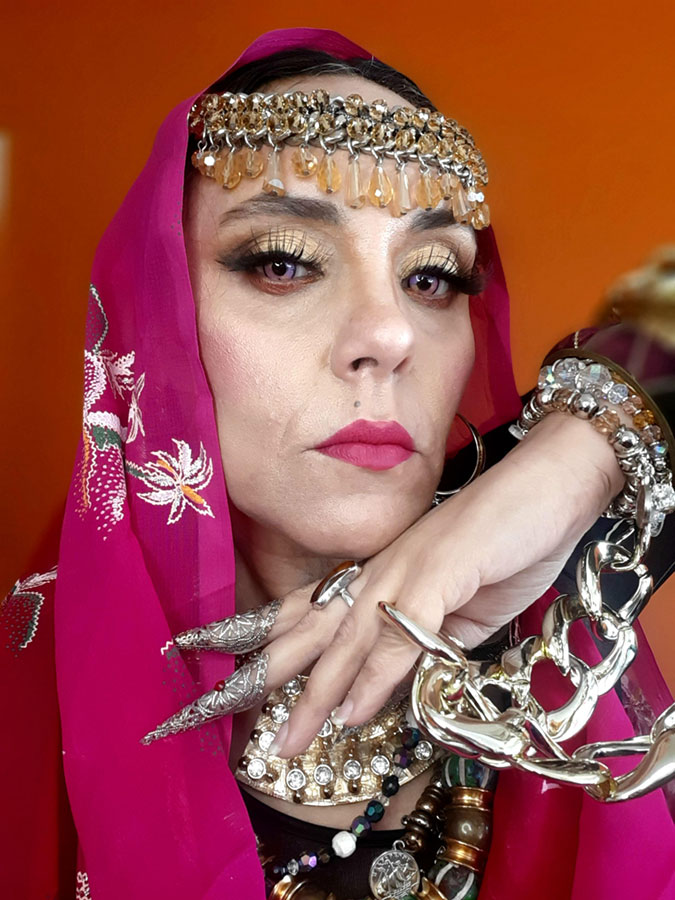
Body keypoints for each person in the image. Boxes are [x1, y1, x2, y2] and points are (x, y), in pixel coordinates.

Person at [1, 27, 674, 900]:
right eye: (282, 263)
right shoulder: (27, 709)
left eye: (430, 278)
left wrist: (580, 455)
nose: (389, 335)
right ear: (153, 320)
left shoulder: (555, 627)